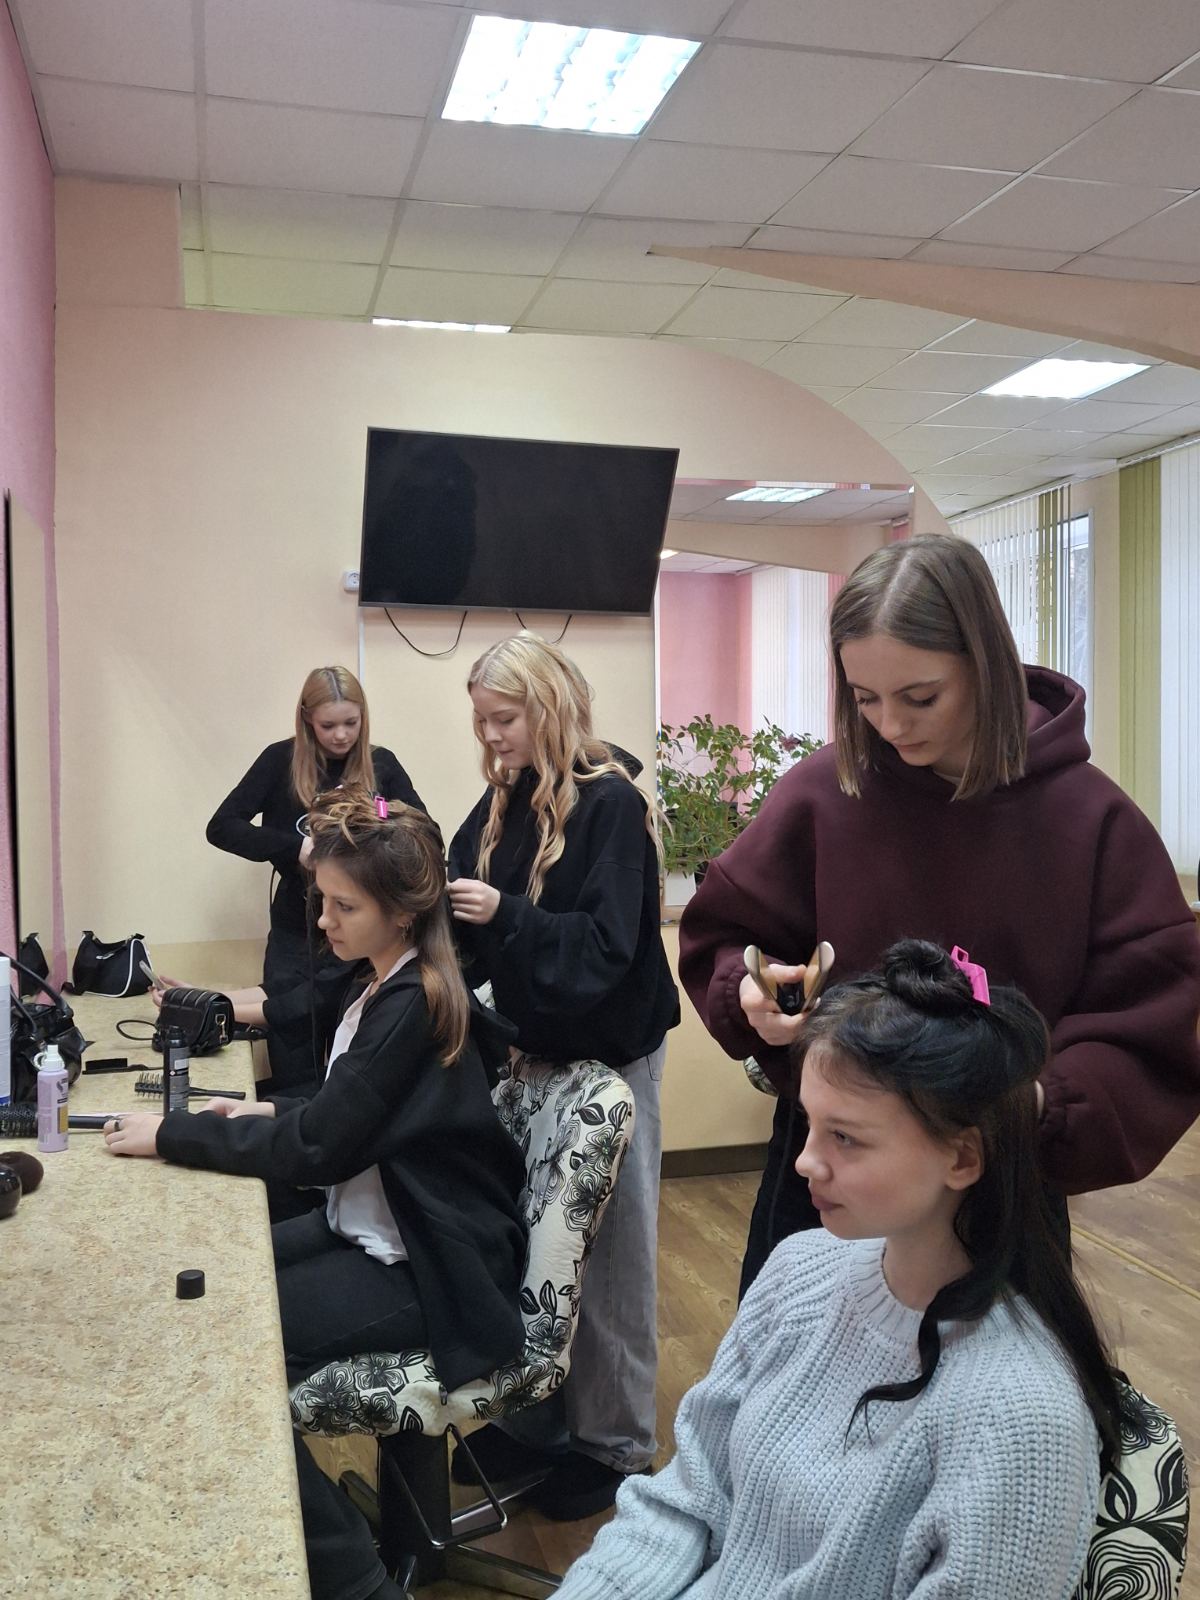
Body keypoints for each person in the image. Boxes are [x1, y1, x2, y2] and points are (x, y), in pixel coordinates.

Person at [680, 534, 1200, 1294]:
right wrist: (753, 989)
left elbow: (1153, 1021)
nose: (891, 725)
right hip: (823, 1176)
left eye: (920, 697)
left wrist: (1034, 1104)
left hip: (997, 1180)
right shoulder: (826, 791)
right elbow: (730, 934)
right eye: (865, 698)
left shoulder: (1091, 820)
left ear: (984, 665)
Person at [555, 940, 1118, 1600]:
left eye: (845, 1137)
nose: (804, 1162)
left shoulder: (1021, 1419)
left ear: (963, 1158)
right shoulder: (798, 1270)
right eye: (809, 1124)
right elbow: (686, 1500)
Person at [106, 794, 527, 1600]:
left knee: (228, 1351)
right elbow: (345, 1113)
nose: (325, 921)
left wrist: (172, 1134)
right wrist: (262, 1111)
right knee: (210, 1293)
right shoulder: (384, 984)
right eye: (322, 901)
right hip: (372, 1232)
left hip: (427, 1267)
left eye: (344, 906)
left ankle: (353, 1579)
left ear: (402, 912)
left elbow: (319, 1147)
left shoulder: (413, 1003)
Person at [445, 632, 680, 1521]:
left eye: (503, 718)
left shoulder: (611, 806)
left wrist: (507, 914)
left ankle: (615, 1446)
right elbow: (460, 888)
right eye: (480, 720)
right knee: (537, 1247)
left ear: (546, 707)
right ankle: (537, 1423)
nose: (490, 735)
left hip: (612, 1061)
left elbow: (606, 948)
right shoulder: (507, 796)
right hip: (538, 1053)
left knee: (609, 1257)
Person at [207, 665, 426, 1093]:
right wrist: (294, 848)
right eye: (328, 726)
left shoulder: (381, 765)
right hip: (297, 929)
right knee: (292, 1046)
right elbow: (222, 827)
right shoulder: (280, 761)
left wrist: (380, 818)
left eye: (351, 723)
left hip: (361, 935)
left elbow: (421, 832)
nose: (341, 736)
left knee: (353, 1057)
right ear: (307, 718)